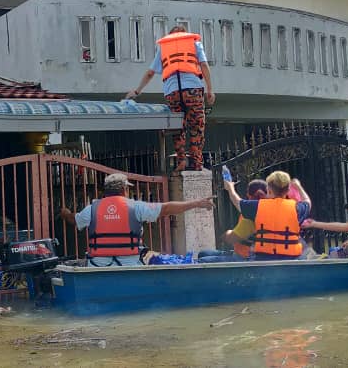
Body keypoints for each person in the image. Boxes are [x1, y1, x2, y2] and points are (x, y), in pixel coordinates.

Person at [61, 173, 214, 266]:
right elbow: (166, 208)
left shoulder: (92, 208)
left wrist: (65, 212)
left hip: (97, 265)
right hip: (129, 265)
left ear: (106, 191)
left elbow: (73, 220)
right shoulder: (136, 207)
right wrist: (197, 203)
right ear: (124, 190)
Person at [125, 26, 215, 172]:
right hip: (193, 90)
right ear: (185, 34)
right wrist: (210, 90)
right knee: (197, 126)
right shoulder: (194, 43)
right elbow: (204, 65)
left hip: (172, 92)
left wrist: (137, 91)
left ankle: (181, 160)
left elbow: (150, 72)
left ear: (170, 36)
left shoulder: (164, 48)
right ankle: (197, 162)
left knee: (177, 126)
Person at [223, 171, 311, 260]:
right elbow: (307, 202)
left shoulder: (257, 207)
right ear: (287, 191)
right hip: (290, 260)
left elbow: (236, 201)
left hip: (263, 261)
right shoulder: (296, 209)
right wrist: (298, 187)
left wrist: (230, 188)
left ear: (269, 190)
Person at [198, 179, 268, 263]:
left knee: (202, 261)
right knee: (203, 253)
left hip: (245, 258)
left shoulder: (252, 213)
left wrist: (227, 233)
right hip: (238, 253)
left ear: (248, 194)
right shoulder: (252, 209)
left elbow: (232, 239)